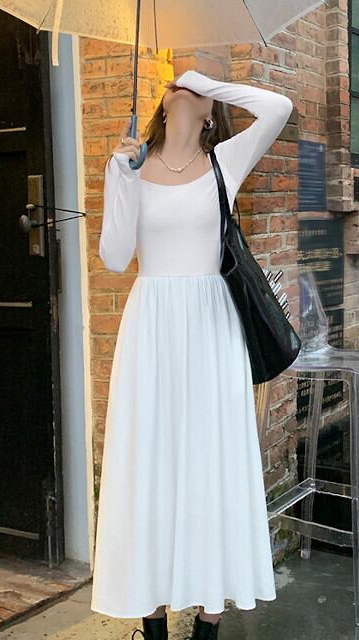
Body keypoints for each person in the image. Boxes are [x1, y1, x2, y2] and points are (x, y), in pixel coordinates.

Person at [90, 68, 293, 640]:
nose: (185, 83)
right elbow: (114, 258)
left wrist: (211, 84)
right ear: (161, 103)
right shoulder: (130, 164)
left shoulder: (225, 161)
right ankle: (152, 622)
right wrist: (121, 176)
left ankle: (208, 622)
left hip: (211, 327)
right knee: (148, 462)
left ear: (210, 113)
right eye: (178, 80)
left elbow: (278, 108)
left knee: (212, 461)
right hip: (150, 327)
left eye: (198, 87)